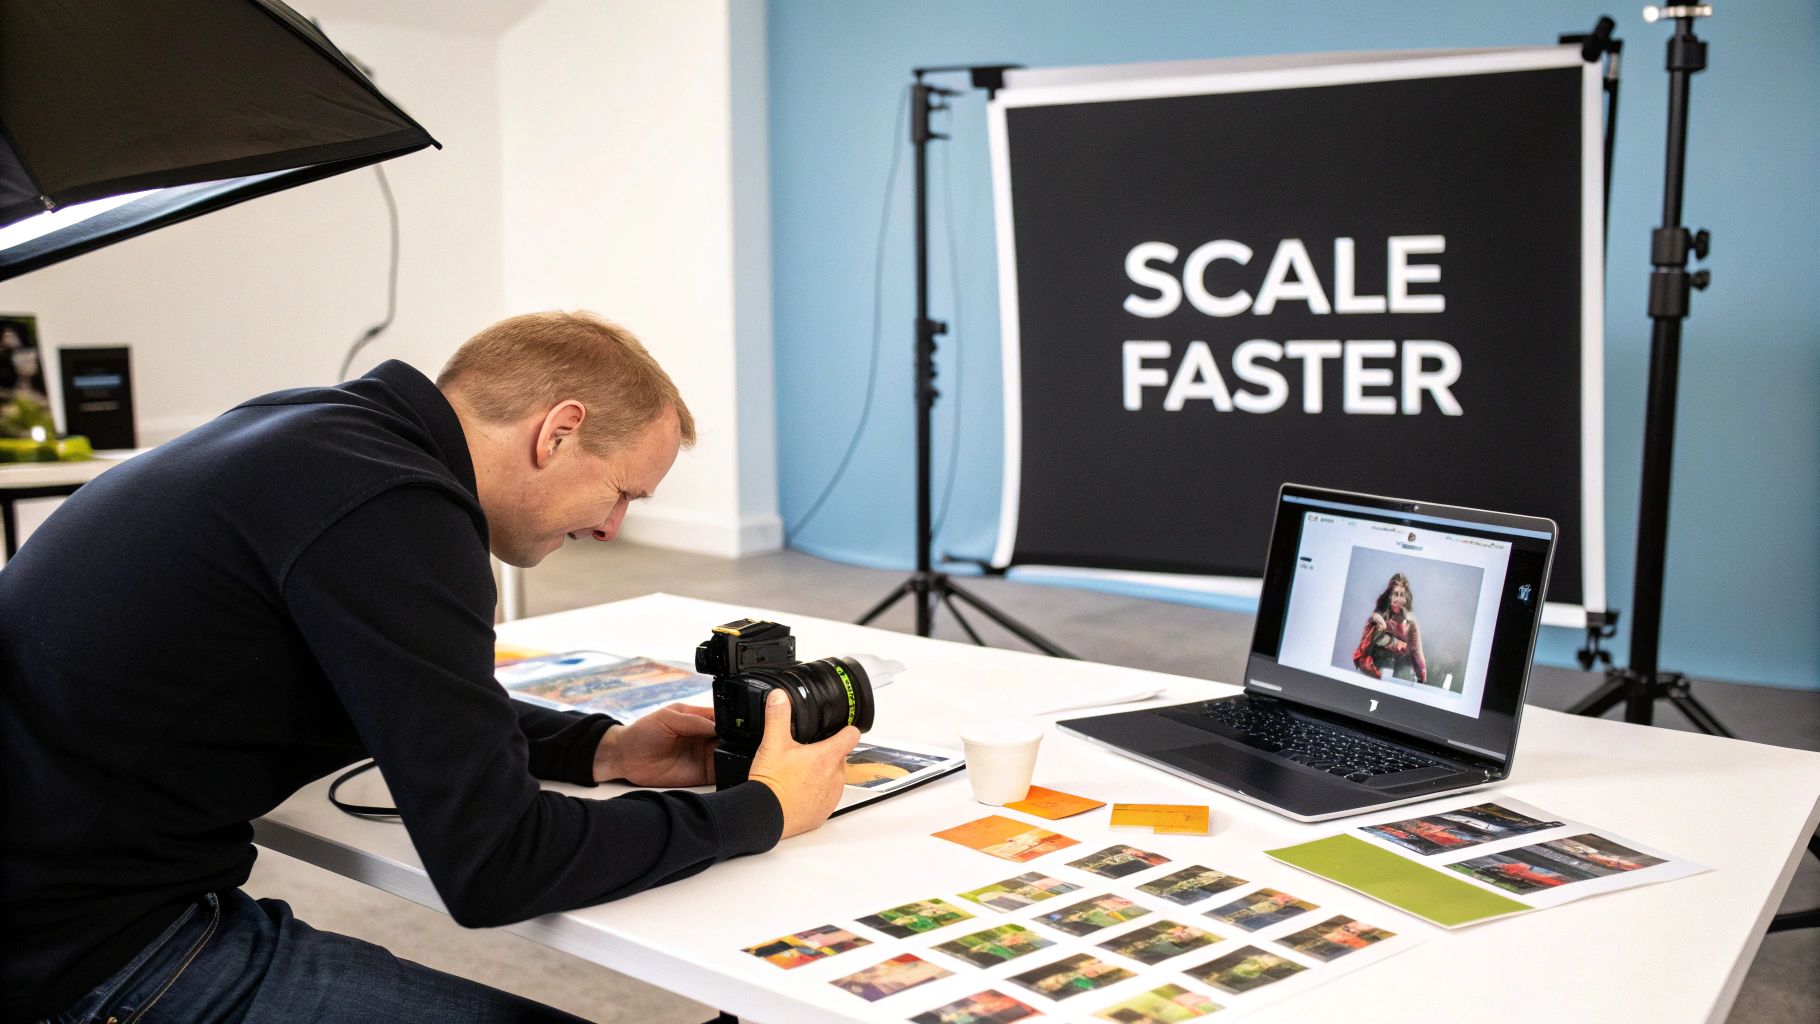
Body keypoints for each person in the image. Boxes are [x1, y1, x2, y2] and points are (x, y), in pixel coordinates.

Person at [0, 311, 860, 1023]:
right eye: (624, 491)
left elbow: (403, 693)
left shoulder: (322, 435)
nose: (613, 529)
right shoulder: (396, 512)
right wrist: (762, 809)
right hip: (86, 955)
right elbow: (499, 864)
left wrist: (601, 751)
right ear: (558, 433)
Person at [1351, 572, 1428, 684]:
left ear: (1406, 598)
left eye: (1402, 595)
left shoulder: (1411, 622)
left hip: (1399, 667)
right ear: (1390, 597)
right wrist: (1395, 643)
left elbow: (1417, 652)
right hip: (1376, 664)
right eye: (1395, 594)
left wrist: (1422, 679)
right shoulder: (1380, 617)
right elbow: (1367, 642)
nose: (1398, 599)